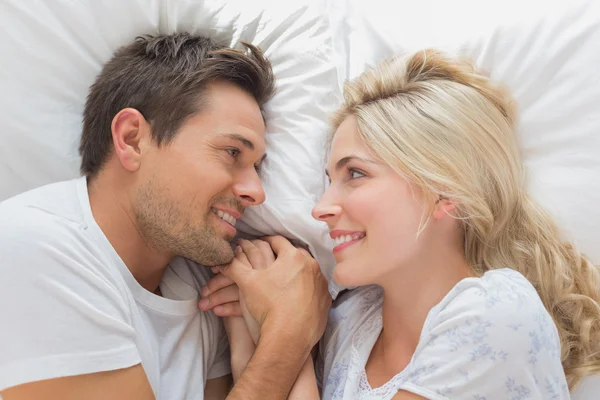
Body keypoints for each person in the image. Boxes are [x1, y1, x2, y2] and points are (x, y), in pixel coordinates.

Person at [212, 49, 600, 399]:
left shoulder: (497, 312)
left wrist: (287, 328)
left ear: (444, 191)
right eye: (330, 180)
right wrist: (249, 326)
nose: (322, 207)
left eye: (356, 174)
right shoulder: (352, 322)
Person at [0, 33, 331, 400]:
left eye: (257, 166)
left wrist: (256, 334)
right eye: (232, 152)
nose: (257, 191)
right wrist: (288, 336)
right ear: (132, 139)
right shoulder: (36, 246)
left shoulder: (197, 286)